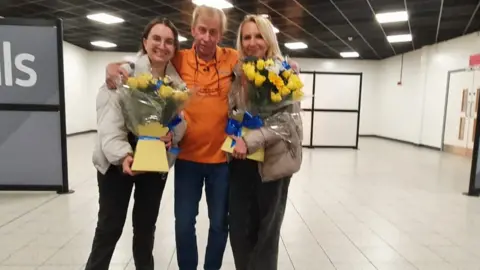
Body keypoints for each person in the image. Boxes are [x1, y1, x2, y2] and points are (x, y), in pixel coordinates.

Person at [103, 7, 299, 270]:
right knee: (184, 224)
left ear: (221, 35)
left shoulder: (233, 59)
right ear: (193, 30)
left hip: (222, 161)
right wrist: (114, 66)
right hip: (187, 159)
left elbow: (269, 65)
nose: (207, 37)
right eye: (202, 30)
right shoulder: (179, 59)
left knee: (220, 224)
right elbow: (147, 62)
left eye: (213, 32)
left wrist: (292, 66)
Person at [87, 17, 184, 270]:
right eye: (156, 38)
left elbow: (180, 122)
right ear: (144, 41)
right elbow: (109, 122)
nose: (162, 46)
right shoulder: (123, 74)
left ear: (174, 48)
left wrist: (172, 135)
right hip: (118, 161)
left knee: (145, 230)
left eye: (169, 41)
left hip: (154, 161)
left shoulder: (177, 85)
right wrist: (123, 156)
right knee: (109, 227)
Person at [227, 15, 303, 270]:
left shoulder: (285, 74)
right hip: (240, 163)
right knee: (238, 231)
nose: (252, 42)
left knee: (266, 235)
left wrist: (249, 140)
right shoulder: (237, 73)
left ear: (269, 39)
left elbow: (287, 123)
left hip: (273, 165)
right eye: (246, 37)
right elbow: (233, 112)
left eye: (258, 36)